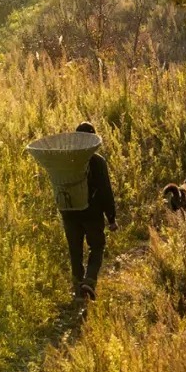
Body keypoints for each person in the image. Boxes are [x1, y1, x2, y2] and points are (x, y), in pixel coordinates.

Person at [62, 121, 117, 301]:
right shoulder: (97, 161)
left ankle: (78, 291)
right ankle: (89, 282)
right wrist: (111, 217)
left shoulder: (65, 160)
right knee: (97, 247)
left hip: (69, 214)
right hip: (92, 214)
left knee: (75, 251)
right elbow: (105, 190)